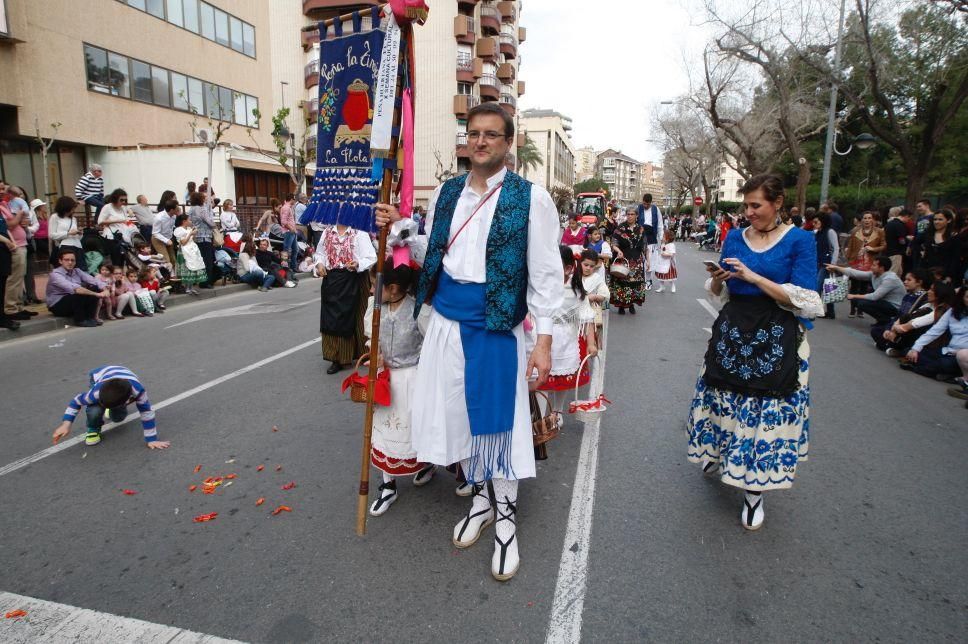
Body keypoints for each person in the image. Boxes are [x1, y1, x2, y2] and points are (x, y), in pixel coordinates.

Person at [375, 102, 563, 581]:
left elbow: (545, 276)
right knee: (458, 420)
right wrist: (394, 227)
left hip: (496, 329)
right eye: (474, 133)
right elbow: (432, 248)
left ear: (507, 143)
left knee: (496, 426)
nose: (480, 142)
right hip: (444, 325)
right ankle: (480, 501)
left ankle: (505, 524)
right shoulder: (447, 192)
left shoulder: (531, 199)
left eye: (491, 135)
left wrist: (542, 343)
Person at [688, 173, 823, 531]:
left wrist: (755, 278)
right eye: (745, 205)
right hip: (733, 331)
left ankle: (754, 493)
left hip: (777, 337)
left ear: (777, 203)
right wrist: (719, 278)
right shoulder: (734, 237)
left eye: (755, 205)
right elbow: (719, 292)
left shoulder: (801, 241)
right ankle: (718, 454)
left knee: (762, 415)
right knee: (723, 403)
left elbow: (807, 299)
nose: (748, 212)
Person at [363, 262, 436, 516]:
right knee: (382, 432)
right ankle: (388, 485)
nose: (371, 289)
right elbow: (371, 337)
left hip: (412, 380)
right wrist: (376, 352)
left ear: (392, 289)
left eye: (374, 285)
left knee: (415, 430)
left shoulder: (419, 310)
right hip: (386, 380)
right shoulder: (375, 308)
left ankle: (425, 464)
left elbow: (432, 343)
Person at [537, 246, 597, 417]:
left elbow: (587, 318)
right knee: (541, 380)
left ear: (568, 268)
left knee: (561, 380)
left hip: (565, 340)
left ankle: (557, 412)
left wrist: (591, 344)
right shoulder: (541, 286)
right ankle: (540, 419)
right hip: (541, 337)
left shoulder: (576, 290)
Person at [52, 365, 169, 449]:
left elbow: (147, 413)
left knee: (118, 418)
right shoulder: (96, 392)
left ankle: (112, 407)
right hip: (99, 374)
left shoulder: (139, 391)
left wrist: (151, 440)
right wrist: (66, 424)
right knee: (95, 409)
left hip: (124, 376)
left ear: (127, 400)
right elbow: (76, 402)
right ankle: (93, 428)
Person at [313, 221, 376, 373]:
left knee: (359, 317)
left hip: (355, 278)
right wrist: (319, 264)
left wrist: (358, 263)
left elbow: (371, 257)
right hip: (333, 279)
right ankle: (337, 357)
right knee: (334, 318)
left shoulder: (358, 232)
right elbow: (320, 253)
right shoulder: (327, 232)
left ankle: (364, 351)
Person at [905, 287, 968, 382]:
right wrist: (916, 348)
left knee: (943, 364)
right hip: (948, 351)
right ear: (962, 298)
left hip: (962, 356)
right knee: (910, 351)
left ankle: (920, 368)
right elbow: (935, 331)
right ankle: (938, 373)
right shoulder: (953, 312)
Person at [826, 257, 905, 325]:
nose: (871, 267)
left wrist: (853, 295)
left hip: (894, 306)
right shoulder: (875, 274)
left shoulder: (890, 279)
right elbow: (856, 273)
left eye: (874, 265)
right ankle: (883, 321)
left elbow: (874, 296)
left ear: (882, 268)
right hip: (884, 302)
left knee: (862, 303)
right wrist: (836, 267)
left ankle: (886, 321)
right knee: (856, 301)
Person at [46, 247, 109, 327]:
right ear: (60, 261)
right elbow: (76, 289)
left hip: (74, 302)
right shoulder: (55, 275)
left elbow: (93, 280)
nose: (70, 262)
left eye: (72, 260)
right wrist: (96, 294)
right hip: (57, 306)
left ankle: (90, 318)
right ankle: (80, 320)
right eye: (67, 260)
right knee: (78, 293)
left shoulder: (77, 271)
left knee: (94, 287)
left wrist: (105, 289)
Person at [843, 211, 886, 317]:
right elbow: (850, 246)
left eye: (869, 218)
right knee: (854, 286)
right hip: (856, 262)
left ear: (873, 220)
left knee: (864, 287)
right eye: (865, 218)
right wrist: (848, 260)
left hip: (870, 263)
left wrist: (873, 249)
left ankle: (861, 309)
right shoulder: (855, 231)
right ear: (861, 220)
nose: (867, 220)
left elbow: (884, 245)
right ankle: (852, 309)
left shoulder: (879, 232)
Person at [2, 186, 32, 320]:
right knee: (14, 279)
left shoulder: (6, 204)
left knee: (20, 278)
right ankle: (11, 308)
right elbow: (10, 224)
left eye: (5, 189)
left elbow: (21, 221)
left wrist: (23, 220)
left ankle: (19, 306)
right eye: (1, 189)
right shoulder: (3, 207)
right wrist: (20, 215)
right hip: (14, 246)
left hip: (21, 244)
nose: (4, 192)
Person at [610, 207, 647, 314]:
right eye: (628, 214)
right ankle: (621, 306)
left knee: (634, 283)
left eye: (632, 214)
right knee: (622, 283)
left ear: (636, 216)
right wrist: (618, 251)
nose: (630, 216)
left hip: (637, 260)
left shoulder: (641, 229)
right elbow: (614, 243)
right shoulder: (620, 228)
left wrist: (647, 260)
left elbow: (645, 246)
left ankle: (631, 304)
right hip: (624, 259)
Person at [914, 208, 960, 282]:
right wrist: (921, 251)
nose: (936, 222)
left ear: (949, 220)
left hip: (943, 274)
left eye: (940, 219)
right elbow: (915, 242)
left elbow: (955, 259)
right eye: (935, 219)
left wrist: (949, 276)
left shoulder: (954, 237)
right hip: (926, 272)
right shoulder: (928, 234)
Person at [814, 212, 841, 319]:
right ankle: (830, 312)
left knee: (818, 286)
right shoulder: (818, 233)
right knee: (828, 287)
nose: (815, 223)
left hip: (827, 264)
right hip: (820, 262)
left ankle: (815, 309)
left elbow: (836, 248)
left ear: (823, 221)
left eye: (817, 221)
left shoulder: (830, 232)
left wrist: (833, 264)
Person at [187, 192, 216, 288]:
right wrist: (214, 225)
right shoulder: (201, 209)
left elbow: (190, 222)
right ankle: (206, 282)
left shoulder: (191, 210)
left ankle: (200, 280)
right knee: (208, 260)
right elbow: (209, 222)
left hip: (196, 237)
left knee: (200, 259)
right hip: (205, 237)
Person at [48, 196, 85, 271]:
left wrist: (80, 233)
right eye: (71, 208)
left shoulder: (73, 219)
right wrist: (68, 233)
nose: (73, 210)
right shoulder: (55, 217)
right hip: (65, 247)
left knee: (79, 270)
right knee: (66, 270)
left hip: (77, 246)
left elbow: (77, 238)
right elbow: (51, 235)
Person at [97, 188, 132, 267]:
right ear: (115, 198)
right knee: (115, 260)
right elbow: (100, 221)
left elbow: (125, 220)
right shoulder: (107, 207)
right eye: (121, 200)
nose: (123, 202)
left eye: (125, 200)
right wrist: (117, 221)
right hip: (111, 237)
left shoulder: (123, 208)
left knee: (123, 259)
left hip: (122, 236)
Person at [173, 213, 206, 295]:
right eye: (189, 220)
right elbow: (183, 242)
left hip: (192, 250)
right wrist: (191, 234)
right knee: (188, 268)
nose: (190, 221)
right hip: (185, 250)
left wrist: (193, 234)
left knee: (194, 268)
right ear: (184, 221)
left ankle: (191, 287)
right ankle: (187, 288)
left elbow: (192, 240)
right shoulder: (179, 230)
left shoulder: (188, 228)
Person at [638, 193, 663, 289]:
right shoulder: (639, 208)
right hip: (641, 236)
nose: (645, 206)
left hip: (652, 237)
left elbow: (660, 225)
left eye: (647, 204)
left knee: (650, 260)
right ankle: (642, 279)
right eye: (644, 203)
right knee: (641, 259)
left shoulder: (656, 209)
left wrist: (661, 239)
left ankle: (648, 280)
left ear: (651, 203)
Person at [0, 206, 19, 330]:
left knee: (2, 285)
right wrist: (7, 241)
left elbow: (5, 229)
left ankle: (2, 315)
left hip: (4, 251)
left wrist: (12, 242)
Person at [883, 207, 911, 276]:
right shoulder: (900, 225)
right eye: (909, 218)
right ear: (906, 216)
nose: (909, 220)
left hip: (888, 251)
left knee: (899, 272)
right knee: (892, 273)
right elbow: (901, 240)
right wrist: (907, 239)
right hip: (896, 253)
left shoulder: (889, 224)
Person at [151, 199, 179, 267]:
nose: (178, 209)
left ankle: (173, 276)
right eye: (177, 208)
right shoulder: (159, 218)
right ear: (172, 210)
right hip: (158, 239)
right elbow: (155, 233)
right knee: (166, 260)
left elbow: (171, 228)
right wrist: (166, 240)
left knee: (173, 260)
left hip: (168, 238)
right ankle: (167, 276)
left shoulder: (174, 216)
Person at [278, 193, 300, 272]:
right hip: (289, 232)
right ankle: (285, 268)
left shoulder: (287, 207)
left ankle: (293, 267)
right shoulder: (286, 208)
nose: (295, 201)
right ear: (291, 199)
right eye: (294, 199)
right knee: (286, 250)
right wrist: (291, 228)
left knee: (295, 250)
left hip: (291, 232)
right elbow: (283, 221)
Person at [653, 229, 678, 293]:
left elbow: (672, 254)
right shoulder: (663, 244)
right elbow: (661, 251)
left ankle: (672, 285)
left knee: (669, 276)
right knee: (661, 274)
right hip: (661, 261)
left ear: (668, 238)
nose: (662, 238)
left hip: (668, 262)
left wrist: (666, 254)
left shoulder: (671, 245)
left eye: (664, 236)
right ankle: (662, 286)